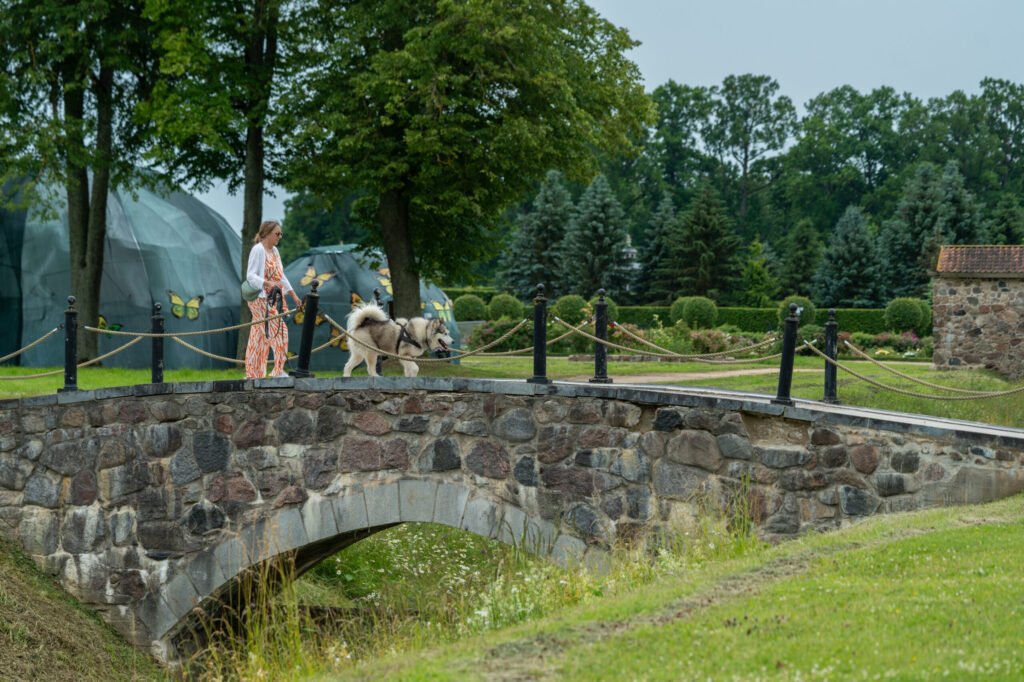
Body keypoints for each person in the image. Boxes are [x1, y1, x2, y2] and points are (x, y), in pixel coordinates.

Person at [244, 221, 302, 378]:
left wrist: (293, 294)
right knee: (279, 330)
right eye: (277, 233)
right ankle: (278, 371)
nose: (280, 236)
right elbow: (250, 275)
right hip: (260, 299)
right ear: (267, 234)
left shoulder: (275, 251)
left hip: (271, 299)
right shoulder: (258, 250)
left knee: (258, 337)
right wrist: (267, 283)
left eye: (281, 233)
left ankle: (253, 374)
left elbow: (280, 275)